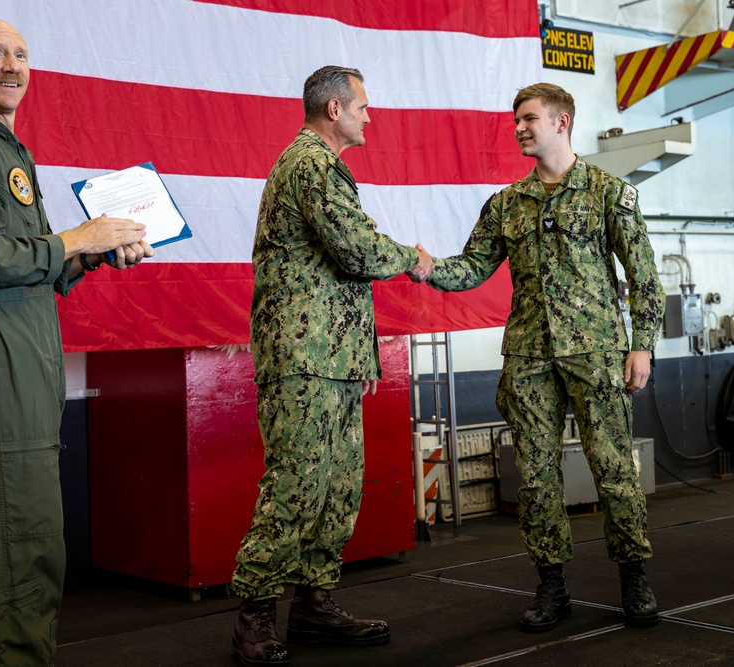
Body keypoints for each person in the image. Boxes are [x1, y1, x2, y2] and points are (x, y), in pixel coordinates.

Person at [0, 19, 152, 665]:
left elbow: (32, 262)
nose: (12, 65)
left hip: (25, 352)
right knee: (20, 541)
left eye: (21, 54)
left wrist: (96, 252)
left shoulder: (11, 153)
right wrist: (80, 237)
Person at [420, 83, 665, 631]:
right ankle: (552, 586)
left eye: (529, 119)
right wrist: (428, 267)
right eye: (516, 121)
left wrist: (642, 344)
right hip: (530, 358)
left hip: (598, 354)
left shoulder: (608, 193)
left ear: (561, 122)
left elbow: (644, 277)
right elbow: (472, 268)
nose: (519, 129)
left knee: (611, 470)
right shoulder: (506, 204)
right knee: (535, 478)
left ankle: (634, 580)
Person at [230, 65, 434, 666]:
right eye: (363, 106)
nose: (370, 115)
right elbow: (358, 250)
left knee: (338, 487)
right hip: (302, 358)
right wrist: (412, 259)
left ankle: (314, 606)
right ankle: (254, 616)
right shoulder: (312, 165)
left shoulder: (327, 168)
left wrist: (360, 354)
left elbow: (339, 275)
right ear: (336, 110)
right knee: (296, 486)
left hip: (333, 359)